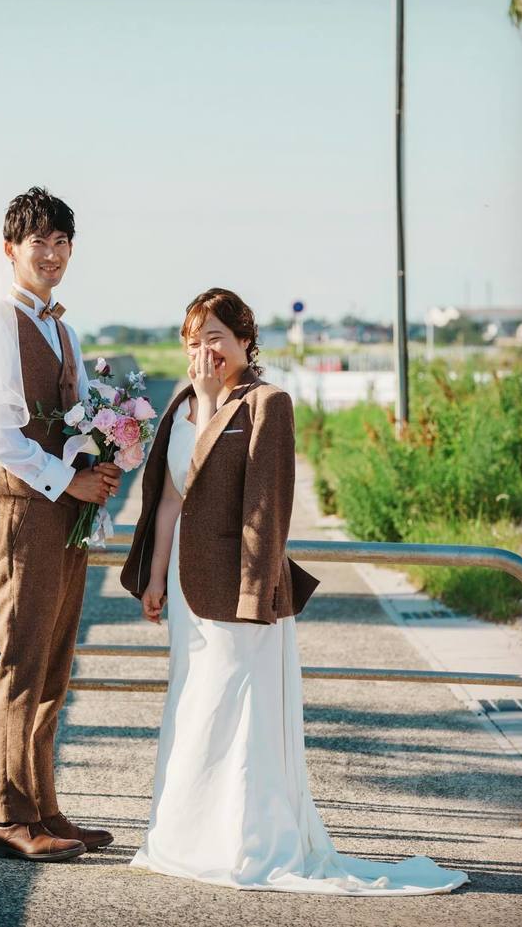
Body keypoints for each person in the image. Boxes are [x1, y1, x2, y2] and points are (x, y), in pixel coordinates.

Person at [120, 287, 469, 895]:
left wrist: (257, 599)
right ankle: (184, 840)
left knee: (240, 715)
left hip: (243, 588)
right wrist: (154, 577)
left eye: (217, 339)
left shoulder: (267, 404)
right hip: (185, 586)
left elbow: (267, 510)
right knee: (194, 707)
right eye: (194, 339)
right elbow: (171, 498)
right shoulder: (179, 405)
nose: (204, 351)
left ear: (245, 343)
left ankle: (246, 846)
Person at [0, 187, 121, 862]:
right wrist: (70, 477)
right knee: (20, 663)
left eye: (63, 242)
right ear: (10, 248)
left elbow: (78, 422)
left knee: (55, 666)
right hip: (23, 513)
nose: (52, 253)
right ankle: (7, 815)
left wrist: (103, 458)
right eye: (39, 241)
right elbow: (0, 438)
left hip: (67, 517)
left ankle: (47, 806)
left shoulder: (63, 328)